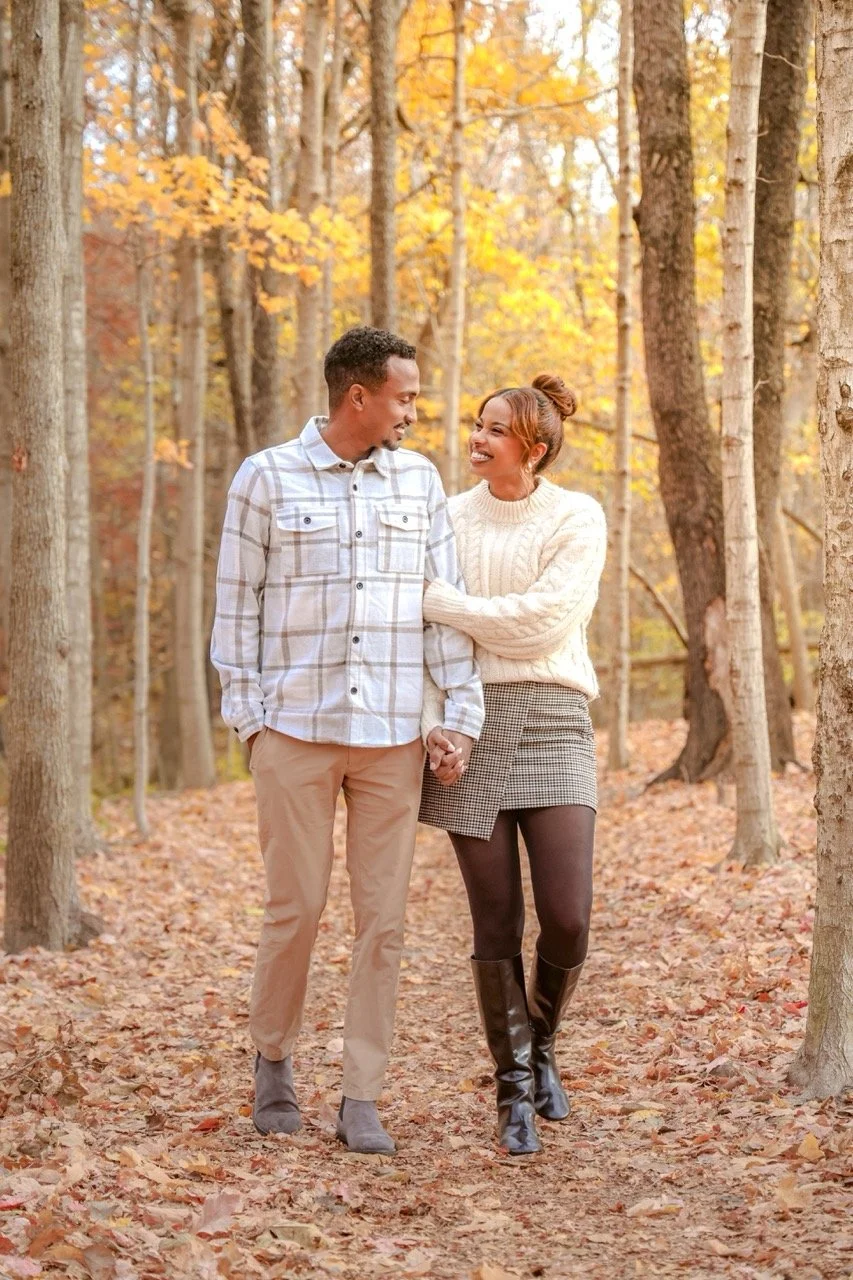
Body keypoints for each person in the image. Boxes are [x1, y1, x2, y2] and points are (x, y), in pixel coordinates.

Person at [211, 326, 483, 1155]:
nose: (414, 410)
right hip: (294, 731)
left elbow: (442, 601)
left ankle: (361, 1092)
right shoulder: (266, 477)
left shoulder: (420, 479)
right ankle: (272, 1058)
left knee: (385, 920)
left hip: (392, 739)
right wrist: (252, 722)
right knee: (295, 909)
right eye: (403, 395)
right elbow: (236, 609)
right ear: (357, 397)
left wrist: (457, 715)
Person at [419, 374, 607, 1156]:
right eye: (475, 424)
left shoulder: (575, 516)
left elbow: (542, 625)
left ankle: (543, 1043)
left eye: (494, 429)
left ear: (532, 447)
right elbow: (424, 646)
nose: (476, 437)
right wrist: (439, 725)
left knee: (567, 915)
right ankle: (513, 1094)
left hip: (555, 718)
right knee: (494, 920)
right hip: (469, 725)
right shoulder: (444, 517)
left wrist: (444, 604)